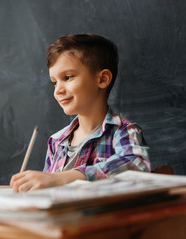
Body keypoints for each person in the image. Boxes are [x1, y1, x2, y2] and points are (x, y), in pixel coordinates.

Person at [10, 34, 150, 192]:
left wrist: (64, 178)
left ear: (103, 79)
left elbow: (137, 165)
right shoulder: (56, 142)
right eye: (54, 82)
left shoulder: (124, 132)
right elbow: (48, 191)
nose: (58, 90)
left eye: (67, 77)